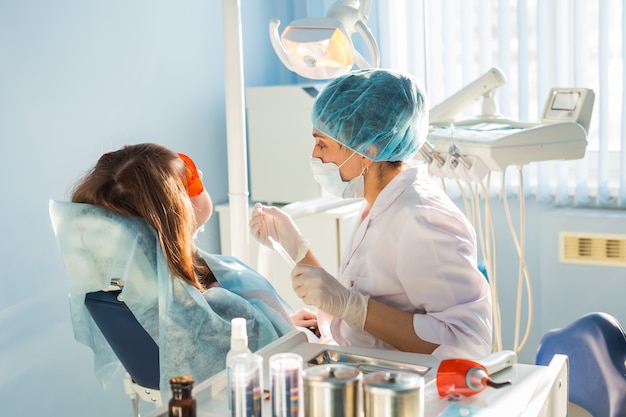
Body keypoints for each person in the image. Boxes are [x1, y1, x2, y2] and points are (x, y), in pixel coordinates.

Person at [250, 68, 493, 359]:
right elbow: (352, 302)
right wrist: (295, 247)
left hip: (416, 392)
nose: (315, 155)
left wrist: (351, 307)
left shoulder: (421, 219)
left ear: (367, 150)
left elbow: (467, 343)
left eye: (322, 143)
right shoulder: (377, 204)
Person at [51, 143, 297, 396]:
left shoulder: (126, 295)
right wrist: (283, 326)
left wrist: (275, 319)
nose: (199, 174)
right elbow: (271, 354)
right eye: (190, 177)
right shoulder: (211, 313)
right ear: (176, 210)